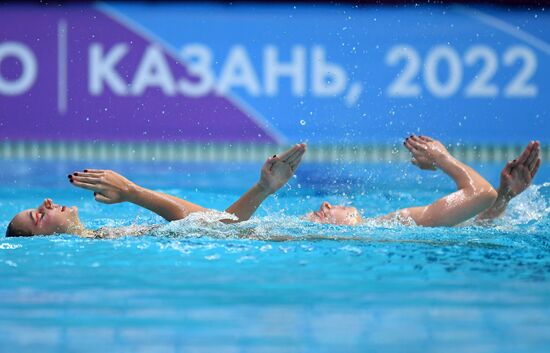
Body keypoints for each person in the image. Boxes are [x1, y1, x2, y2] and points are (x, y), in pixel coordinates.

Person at [5, 144, 307, 238]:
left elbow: (221, 226)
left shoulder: (106, 236)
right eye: (36, 216)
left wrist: (262, 189)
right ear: (48, 241)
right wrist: (131, 191)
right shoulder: (102, 244)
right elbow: (218, 226)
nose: (45, 203)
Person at [306, 135, 541, 227]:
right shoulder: (397, 226)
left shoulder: (392, 225)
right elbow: (481, 194)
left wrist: (505, 197)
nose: (326, 204)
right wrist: (441, 158)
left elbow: (472, 223)